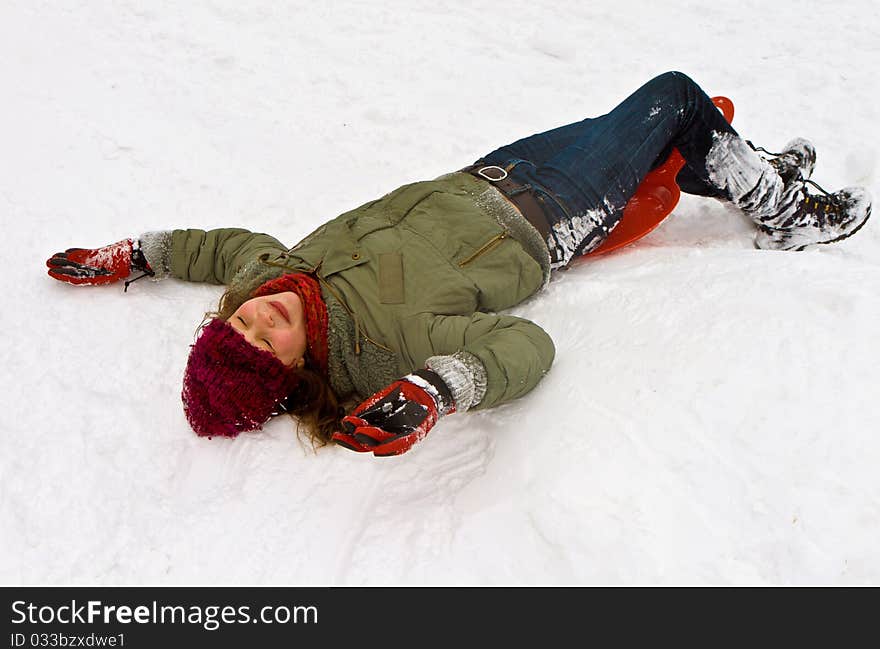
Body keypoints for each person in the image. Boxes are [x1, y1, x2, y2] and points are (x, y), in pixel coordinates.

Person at [46, 72, 872, 457]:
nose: (262, 316)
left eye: (242, 319)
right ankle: (786, 210)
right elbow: (525, 348)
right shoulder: (388, 343)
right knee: (675, 99)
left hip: (492, 171)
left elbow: (222, 247)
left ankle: (748, 167)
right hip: (548, 213)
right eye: (267, 341)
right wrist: (436, 387)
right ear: (292, 373)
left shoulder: (274, 279)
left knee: (658, 134)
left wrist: (138, 254)